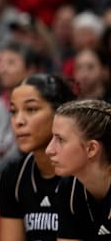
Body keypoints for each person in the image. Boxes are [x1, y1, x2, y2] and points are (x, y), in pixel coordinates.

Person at [0, 74, 76, 241]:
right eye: (13, 111)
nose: (18, 121)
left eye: (31, 109)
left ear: (60, 112)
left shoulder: (82, 175)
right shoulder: (14, 176)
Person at [45, 99, 111, 240]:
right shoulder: (69, 188)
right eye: (52, 138)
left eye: (60, 140)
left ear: (91, 149)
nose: (49, 150)